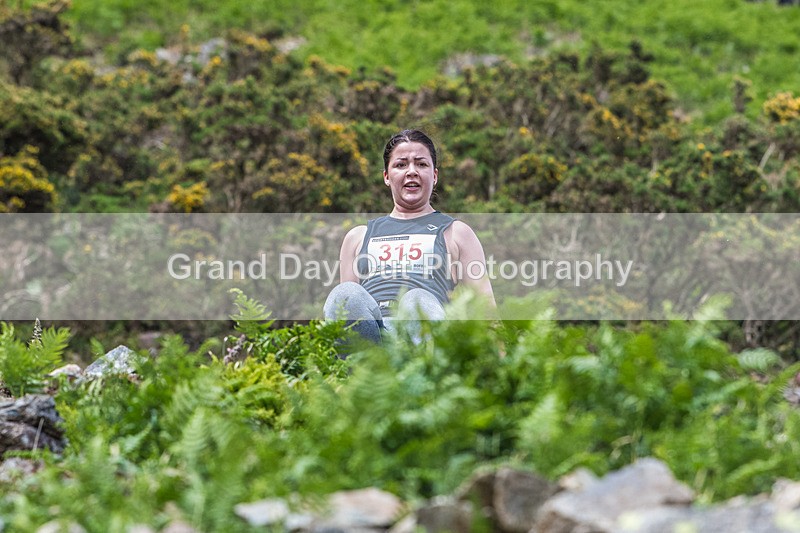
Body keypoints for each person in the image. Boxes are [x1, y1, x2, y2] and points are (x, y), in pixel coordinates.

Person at [324, 129, 495, 344]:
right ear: (386, 176)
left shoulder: (456, 233)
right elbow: (346, 310)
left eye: (421, 164)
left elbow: (486, 309)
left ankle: (423, 370)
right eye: (401, 164)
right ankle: (352, 374)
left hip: (424, 336)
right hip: (372, 344)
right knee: (344, 294)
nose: (412, 171)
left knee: (416, 299)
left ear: (434, 175)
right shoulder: (357, 237)